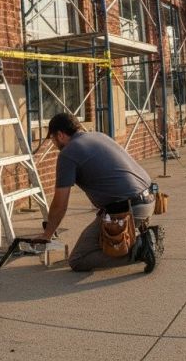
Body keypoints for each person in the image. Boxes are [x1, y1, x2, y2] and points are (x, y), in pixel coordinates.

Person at [35, 112, 165, 273]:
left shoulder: (68, 153)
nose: (53, 143)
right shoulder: (99, 136)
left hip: (129, 209)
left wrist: (47, 234)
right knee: (102, 233)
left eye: (52, 139)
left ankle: (141, 250)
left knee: (78, 259)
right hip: (150, 198)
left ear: (60, 134)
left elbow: (60, 203)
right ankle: (145, 238)